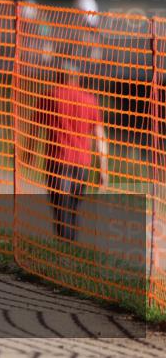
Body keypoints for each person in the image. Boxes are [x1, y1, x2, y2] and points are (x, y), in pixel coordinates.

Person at [34, 61, 109, 242]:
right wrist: (103, 170)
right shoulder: (90, 101)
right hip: (82, 165)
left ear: (58, 76)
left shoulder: (50, 96)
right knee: (73, 208)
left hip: (57, 163)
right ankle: (71, 248)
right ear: (77, 78)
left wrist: (28, 154)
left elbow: (35, 128)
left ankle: (64, 248)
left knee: (60, 209)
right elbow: (100, 138)